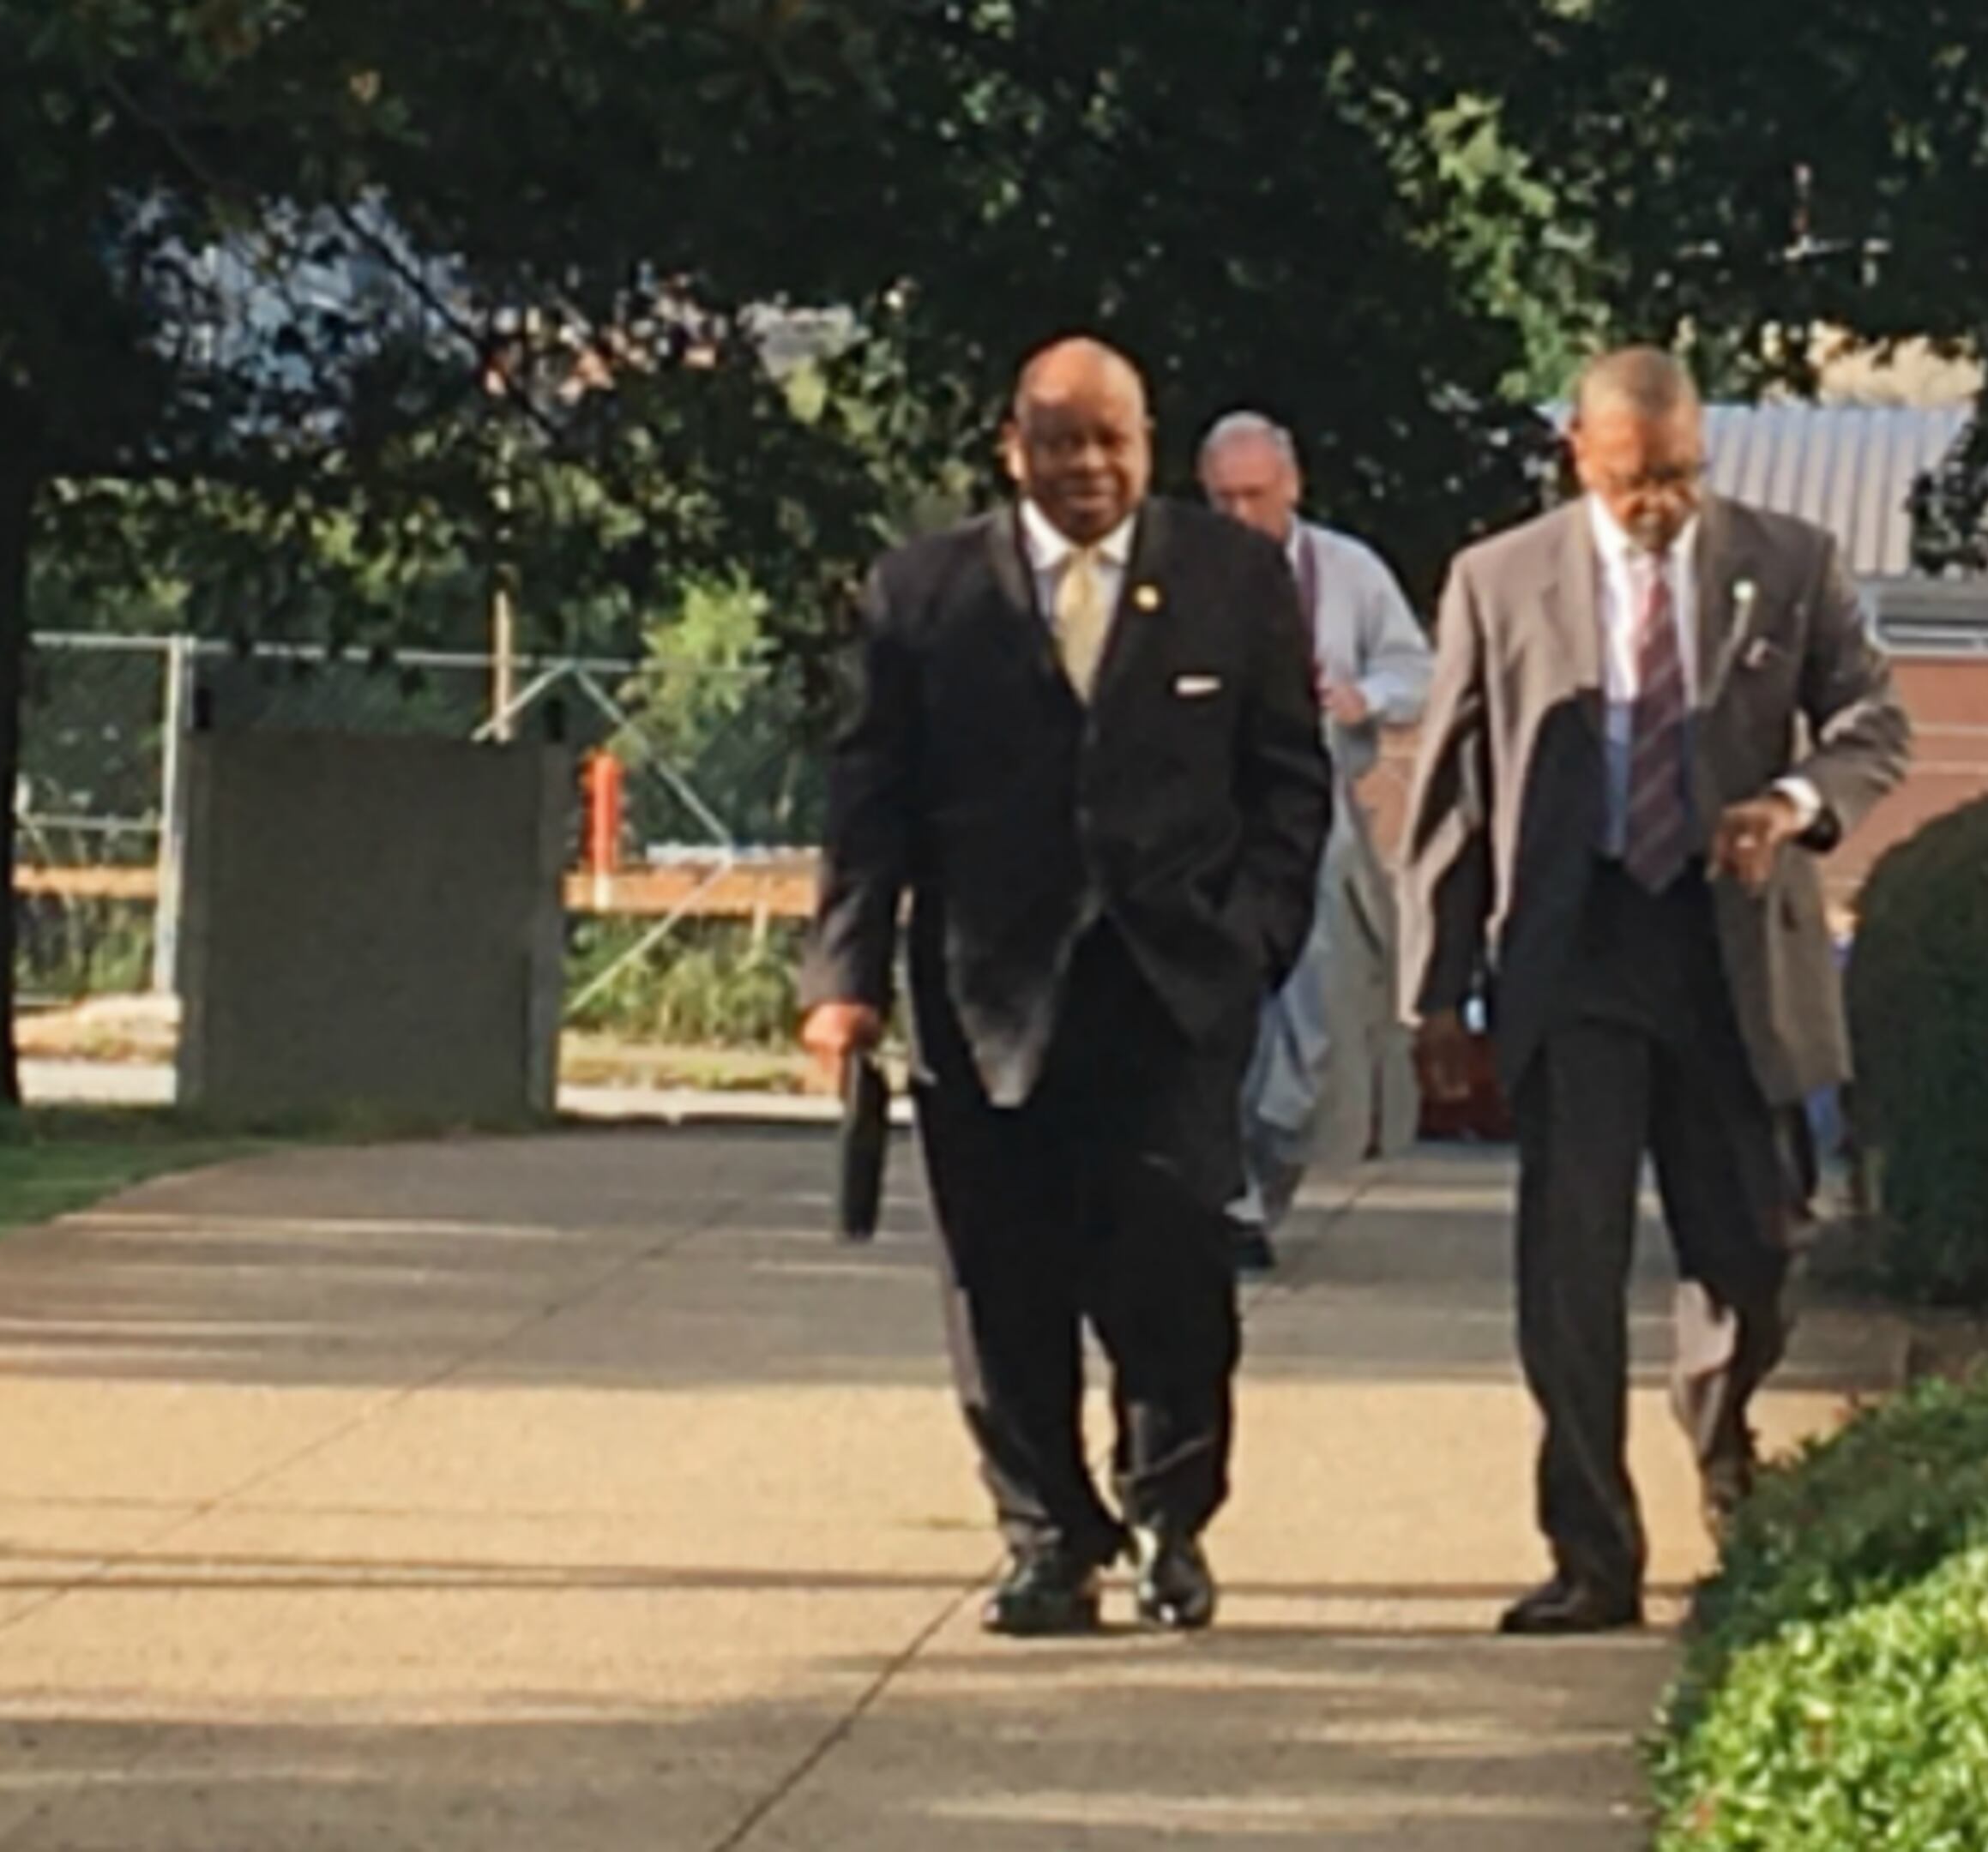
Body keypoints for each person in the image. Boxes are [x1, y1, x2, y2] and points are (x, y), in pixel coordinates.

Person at [798, 337, 1330, 1638]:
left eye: (1113, 441)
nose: (1089, 466)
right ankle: (1046, 1538)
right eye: (1061, 442)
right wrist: (843, 978)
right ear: (1012, 450)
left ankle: (1170, 1519)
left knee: (1172, 1269)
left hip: (1172, 993)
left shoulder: (1233, 578)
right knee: (1002, 1282)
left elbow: (1287, 783)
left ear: (1147, 446)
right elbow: (869, 798)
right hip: (988, 996)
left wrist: (1255, 935)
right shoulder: (924, 593)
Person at [1401, 347, 1912, 1634]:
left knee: (1756, 1248)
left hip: (1726, 947)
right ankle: (1592, 1554)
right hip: (1575, 952)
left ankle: (1723, 1433)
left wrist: (1790, 805)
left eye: (1681, 476)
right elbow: (1453, 797)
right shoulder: (1498, 580)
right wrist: (1436, 997)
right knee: (1569, 1268)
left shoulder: (1788, 563)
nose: (1659, 505)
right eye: (1634, 480)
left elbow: (1873, 722)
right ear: (1579, 454)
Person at [1198, 411, 1434, 1272]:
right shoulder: (1180, 568)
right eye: (1224, 498)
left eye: (1255, 496)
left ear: (1291, 486)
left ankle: (1263, 1175)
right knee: (1216, 1003)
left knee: (1311, 1017)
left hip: (1315, 816)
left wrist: (1365, 698)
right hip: (1204, 816)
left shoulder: (1348, 572)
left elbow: (1418, 669)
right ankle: (1229, 1199)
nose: (1240, 515)